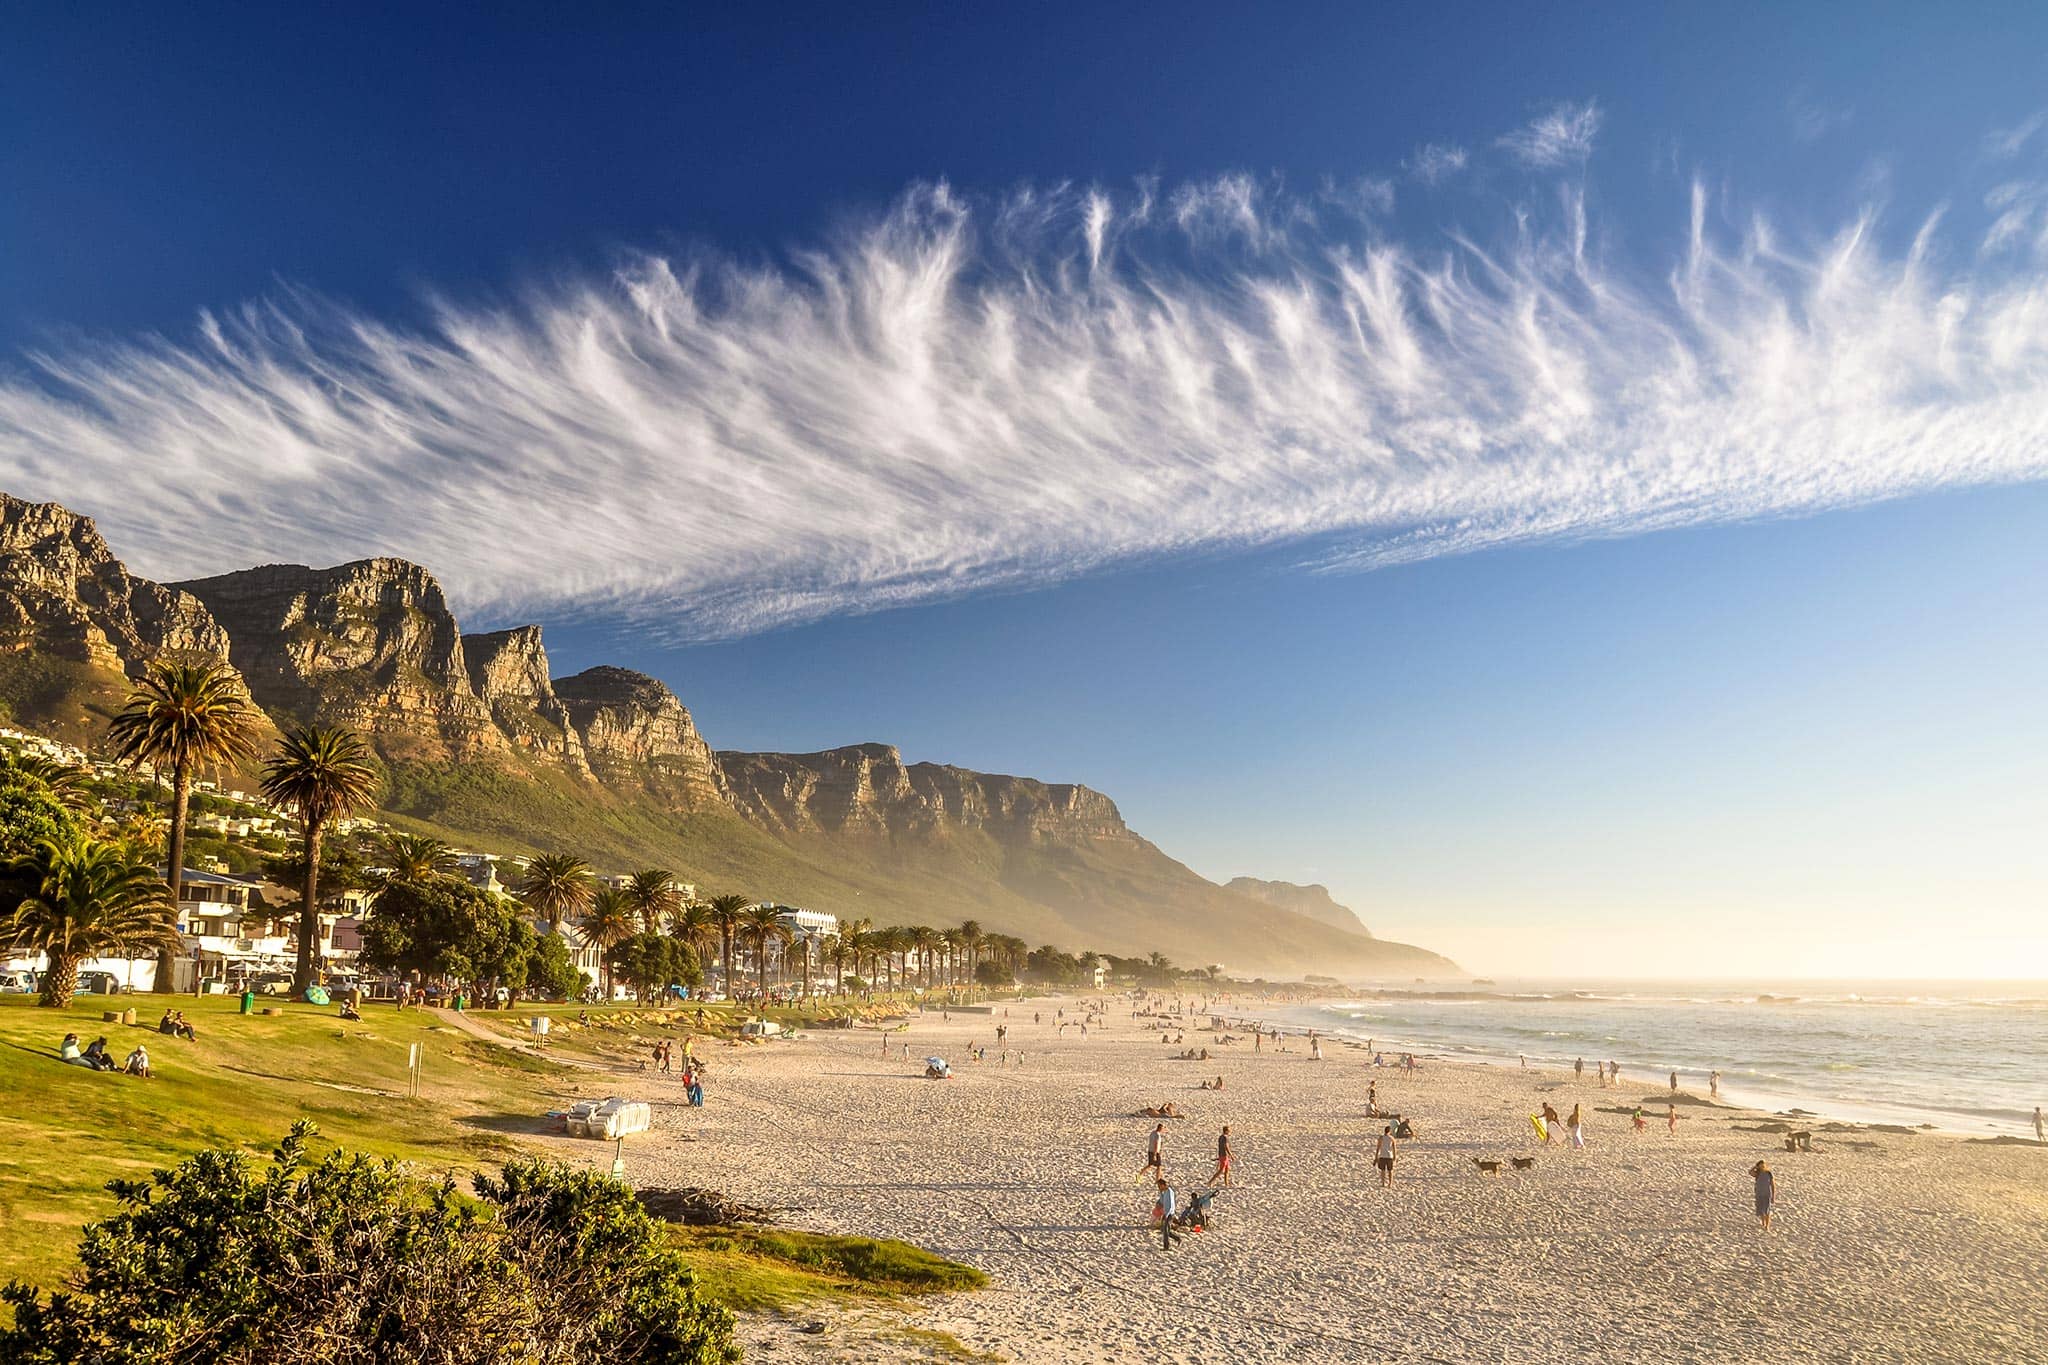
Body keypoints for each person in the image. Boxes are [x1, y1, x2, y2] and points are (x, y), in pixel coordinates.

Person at [1155, 1178, 1180, 1250]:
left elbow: (1171, 1204)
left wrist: (1167, 1214)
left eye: (1159, 1186)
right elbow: (1162, 1201)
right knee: (1164, 1230)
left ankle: (1166, 1247)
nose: (1159, 1188)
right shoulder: (1165, 1192)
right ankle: (1177, 1239)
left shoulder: (1169, 1192)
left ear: (1163, 1185)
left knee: (1165, 1229)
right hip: (1166, 1213)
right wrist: (1160, 1194)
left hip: (1170, 1213)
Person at [1751, 1159, 1776, 1231]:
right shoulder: (1757, 1173)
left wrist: (1773, 1196)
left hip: (1767, 1194)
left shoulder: (1768, 1173)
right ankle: (1763, 1223)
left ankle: (1767, 1226)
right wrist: (1755, 1167)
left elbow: (1773, 1185)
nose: (1762, 1166)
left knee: (1767, 1210)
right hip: (1759, 1193)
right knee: (1761, 1210)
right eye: (1760, 1165)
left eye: (1763, 1164)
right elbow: (1750, 1172)